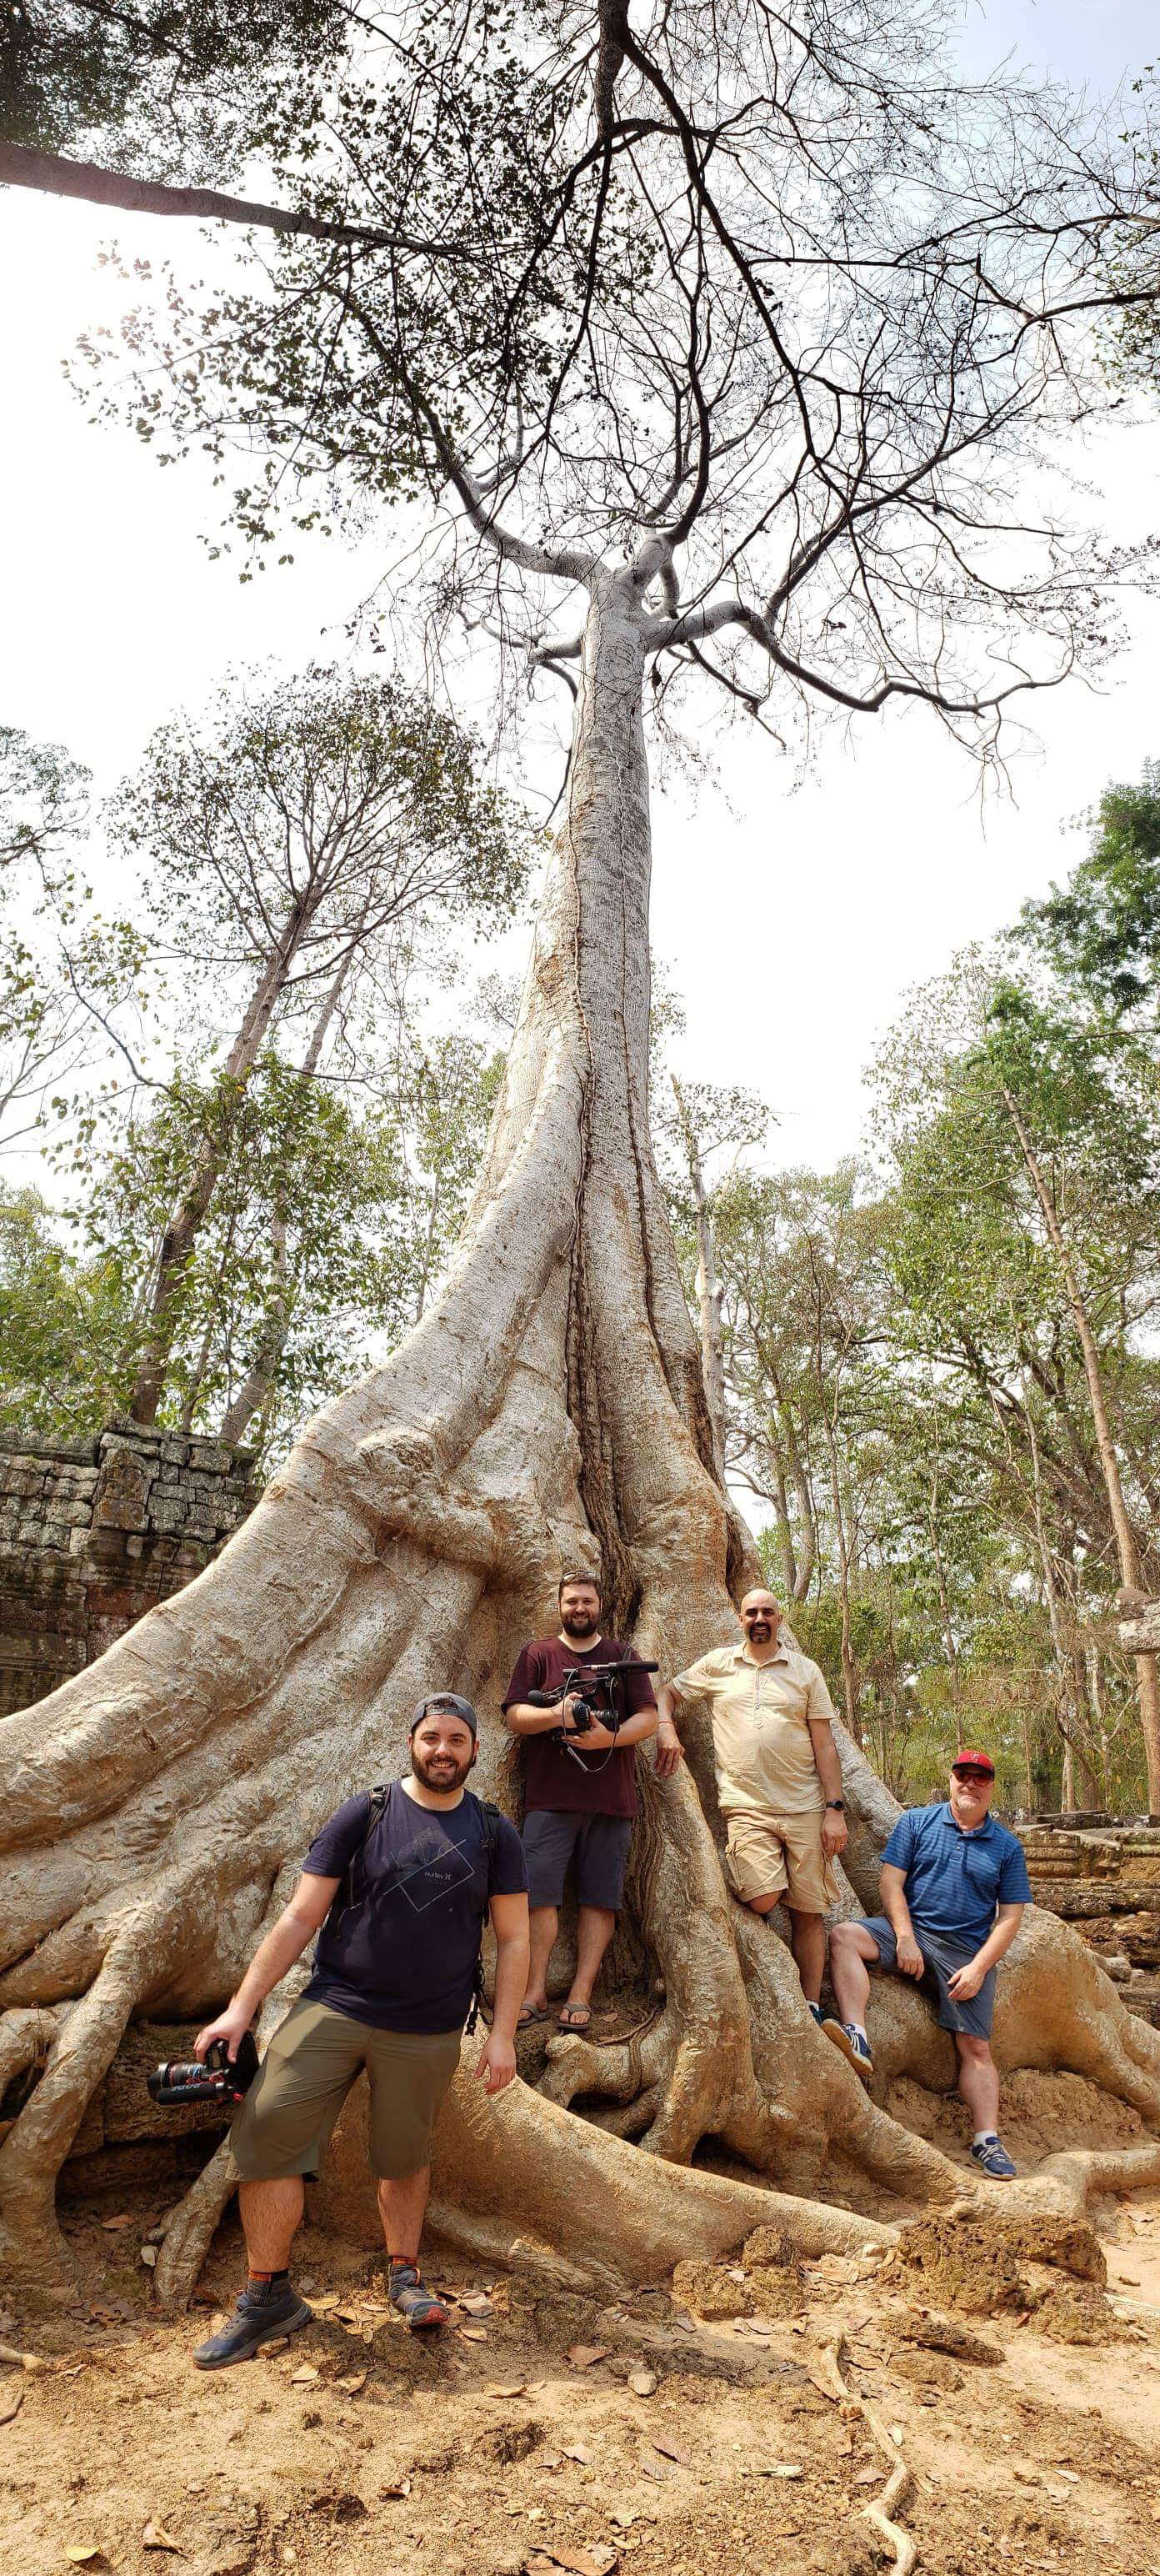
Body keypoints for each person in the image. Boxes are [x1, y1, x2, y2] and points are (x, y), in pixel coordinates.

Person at [189, 1693, 529, 2368]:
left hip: (429, 2026)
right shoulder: (366, 1812)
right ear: (412, 1743)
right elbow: (297, 1918)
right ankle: (266, 2299)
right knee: (265, 2130)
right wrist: (241, 2008)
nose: (443, 1750)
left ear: (474, 1752)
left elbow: (515, 1940)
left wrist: (503, 2034)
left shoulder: (494, 1833)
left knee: (404, 2154)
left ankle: (405, 2277)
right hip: (335, 2006)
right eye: (432, 1737)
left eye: (456, 1740)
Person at [823, 1749, 1031, 2178]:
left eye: (980, 1778)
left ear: (991, 1786)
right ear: (951, 1779)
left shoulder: (1007, 1846)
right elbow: (890, 1883)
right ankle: (856, 2032)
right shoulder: (916, 1823)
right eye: (963, 1775)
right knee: (844, 1936)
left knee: (975, 2049)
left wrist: (978, 1968)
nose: (970, 1783)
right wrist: (904, 1938)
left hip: (965, 1952)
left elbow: (1011, 1916)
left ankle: (986, 2139)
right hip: (909, 1933)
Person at [654, 1589, 847, 2024]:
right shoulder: (720, 1665)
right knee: (763, 1899)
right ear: (739, 1619)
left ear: (780, 1619)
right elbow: (667, 1691)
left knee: (808, 1911)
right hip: (747, 1809)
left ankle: (810, 2006)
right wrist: (665, 1729)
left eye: (768, 1613)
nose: (760, 1619)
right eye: (751, 1613)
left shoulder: (805, 1672)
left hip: (806, 1809)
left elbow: (825, 1744)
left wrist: (834, 1809)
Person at [502, 1572, 658, 2033]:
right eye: (571, 1601)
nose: (579, 1608)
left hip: (611, 1801)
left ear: (599, 1605)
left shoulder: (623, 1656)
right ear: (560, 1606)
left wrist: (606, 1739)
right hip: (549, 1800)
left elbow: (647, 1717)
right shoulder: (538, 1654)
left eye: (586, 1601)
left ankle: (581, 1992)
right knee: (539, 1896)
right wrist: (557, 1714)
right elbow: (514, 1715)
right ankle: (534, 1989)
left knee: (600, 1898)